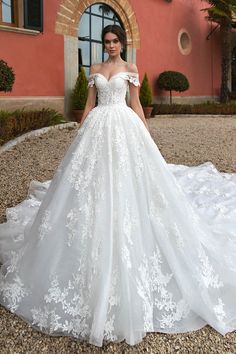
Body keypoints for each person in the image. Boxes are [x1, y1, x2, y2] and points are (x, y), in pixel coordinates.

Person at [0, 24, 236, 348]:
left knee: (130, 187)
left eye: (115, 41)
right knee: (87, 188)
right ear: (104, 43)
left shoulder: (131, 69)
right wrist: (79, 131)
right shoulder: (95, 69)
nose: (110, 46)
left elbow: (136, 104)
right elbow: (88, 105)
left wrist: (146, 134)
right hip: (97, 129)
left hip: (125, 127)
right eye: (107, 41)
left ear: (122, 43)